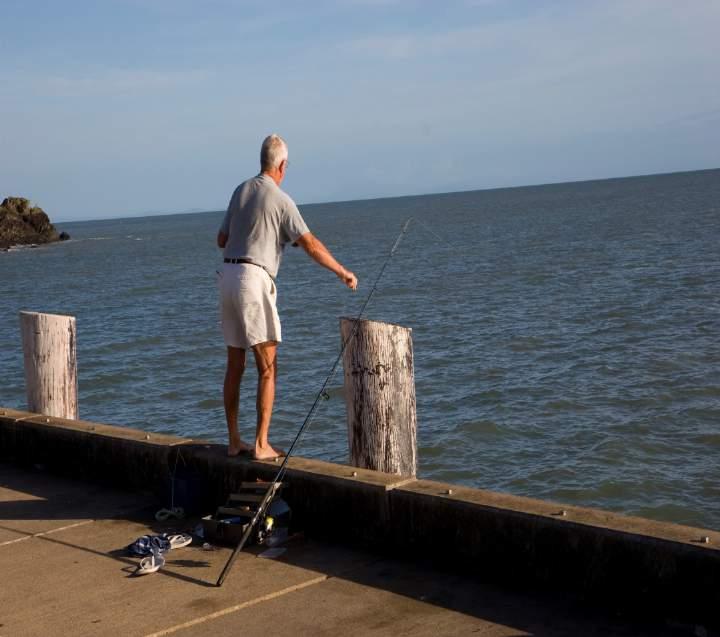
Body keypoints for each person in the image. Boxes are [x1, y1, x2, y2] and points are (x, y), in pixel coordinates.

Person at [217, 134, 358, 460]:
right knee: (268, 369)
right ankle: (262, 444)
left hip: (226, 277)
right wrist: (342, 271)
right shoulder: (281, 199)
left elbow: (222, 238)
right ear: (282, 165)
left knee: (234, 365)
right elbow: (310, 244)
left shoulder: (241, 190)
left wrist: (270, 237)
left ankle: (234, 441)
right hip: (252, 280)